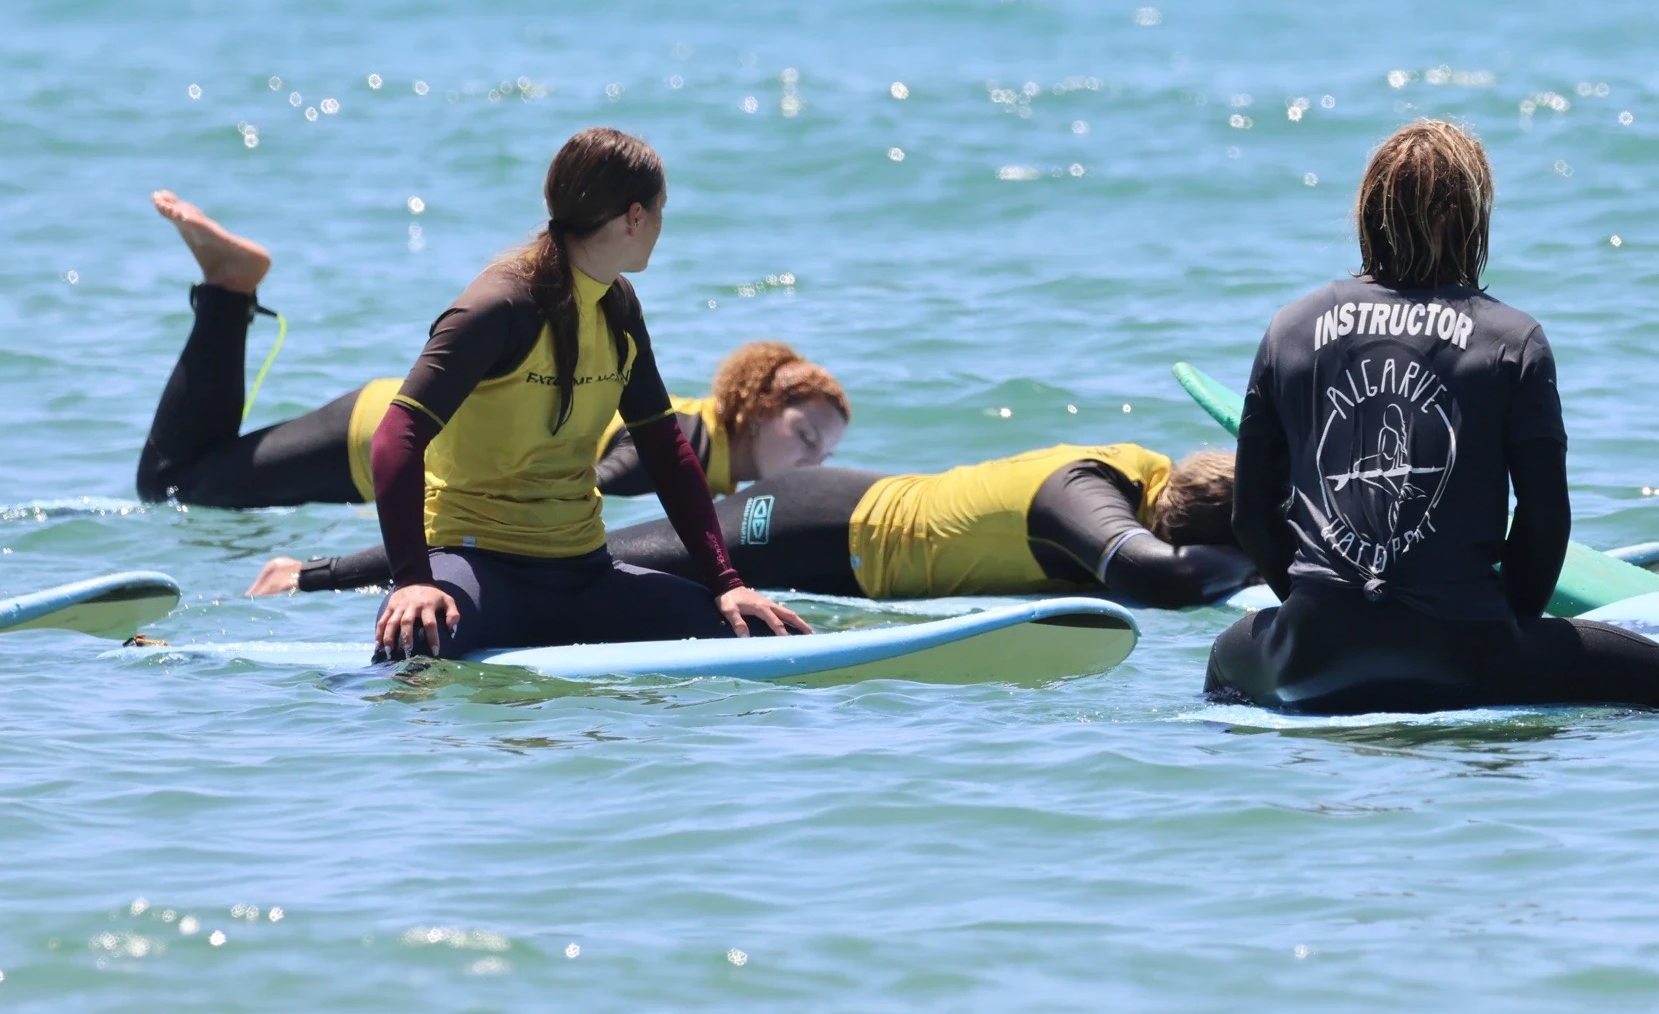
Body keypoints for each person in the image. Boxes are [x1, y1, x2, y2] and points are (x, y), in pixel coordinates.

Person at [1204, 119, 1659, 714]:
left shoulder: (1290, 327)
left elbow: (1250, 516)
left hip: (1313, 654)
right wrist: (1511, 628)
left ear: (1369, 214)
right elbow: (1544, 520)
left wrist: (1321, 612)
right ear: (1472, 220)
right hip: (1467, 654)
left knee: (1224, 659)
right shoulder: (1511, 338)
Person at [362, 127, 801, 658]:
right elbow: (396, 436)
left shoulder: (617, 306)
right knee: (415, 646)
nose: (661, 227)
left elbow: (665, 449)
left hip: (582, 574)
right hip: (477, 565)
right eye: (661, 212)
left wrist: (727, 583)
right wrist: (413, 578)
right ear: (635, 216)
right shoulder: (499, 308)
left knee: (761, 637)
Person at [136, 192, 847, 511]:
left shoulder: (701, 445)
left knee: (199, 480)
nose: (813, 461)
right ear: (755, 411)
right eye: (805, 435)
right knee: (173, 488)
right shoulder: (677, 449)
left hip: (414, 422)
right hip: (387, 437)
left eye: (825, 451)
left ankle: (230, 290)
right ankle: (231, 289)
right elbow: (576, 492)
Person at [260, 445, 1255, 610]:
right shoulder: (1085, 497)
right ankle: (319, 577)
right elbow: (1157, 581)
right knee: (562, 554)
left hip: (844, 516)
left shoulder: (1143, 469)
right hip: (810, 530)